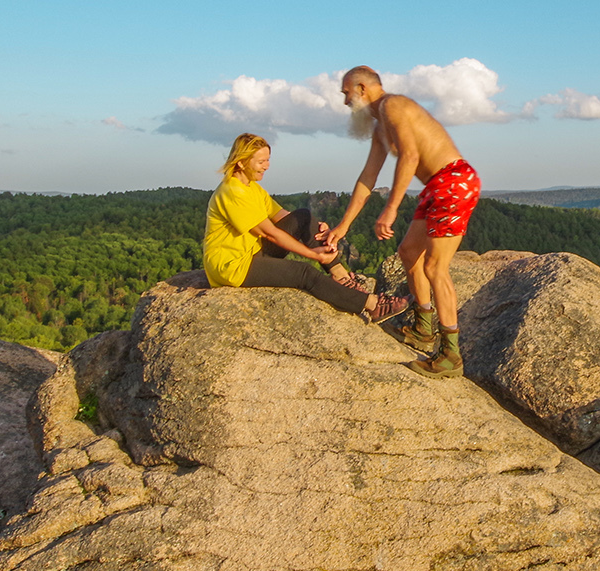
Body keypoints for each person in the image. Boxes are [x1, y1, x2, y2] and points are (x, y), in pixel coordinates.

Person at [322, 65, 481, 379]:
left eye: (346, 93)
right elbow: (368, 177)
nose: (345, 102)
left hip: (454, 181)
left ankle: (451, 354)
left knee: (435, 267)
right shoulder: (380, 125)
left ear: (363, 88)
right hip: (437, 186)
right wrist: (343, 226)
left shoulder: (393, 106)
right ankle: (423, 328)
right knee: (409, 253)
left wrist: (391, 208)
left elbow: (409, 155)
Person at [203, 133, 407, 322]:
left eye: (268, 159)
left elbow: (283, 217)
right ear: (241, 162)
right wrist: (313, 254)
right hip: (232, 266)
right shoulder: (232, 192)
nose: (267, 166)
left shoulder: (251, 188)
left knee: (303, 215)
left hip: (252, 253)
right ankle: (372, 305)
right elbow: (270, 233)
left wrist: (318, 228)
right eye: (261, 161)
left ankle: (341, 276)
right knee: (304, 273)